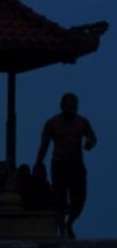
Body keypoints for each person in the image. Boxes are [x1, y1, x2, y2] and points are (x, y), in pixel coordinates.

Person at [35, 93, 97, 239]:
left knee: (80, 198)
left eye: (74, 106)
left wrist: (89, 144)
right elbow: (44, 144)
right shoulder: (52, 123)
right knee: (59, 199)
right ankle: (62, 228)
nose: (72, 109)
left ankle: (70, 223)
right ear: (62, 106)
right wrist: (38, 162)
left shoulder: (82, 122)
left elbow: (93, 138)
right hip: (59, 164)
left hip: (76, 164)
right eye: (69, 106)